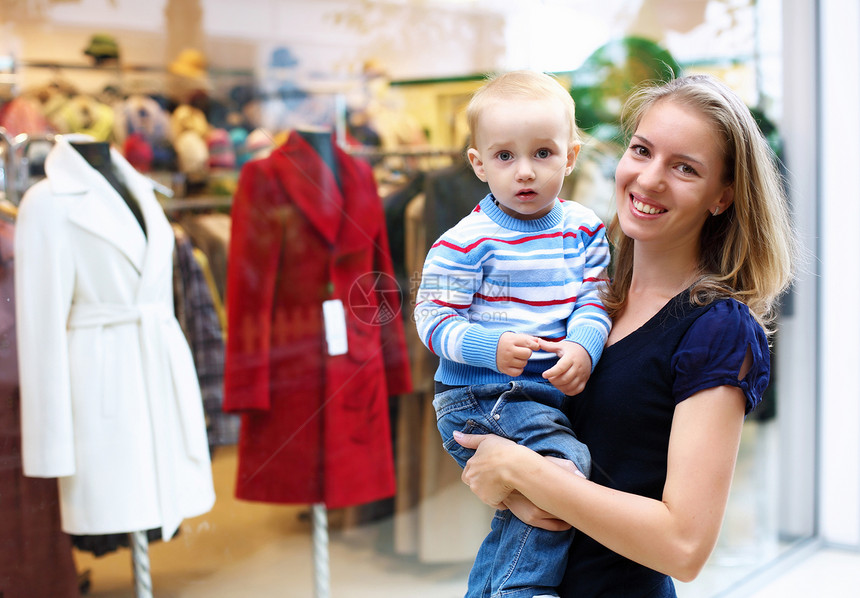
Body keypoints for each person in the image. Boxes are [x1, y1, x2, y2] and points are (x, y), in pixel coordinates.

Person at [454, 73, 797, 598]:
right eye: (642, 150)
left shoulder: (719, 330)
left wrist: (523, 471)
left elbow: (683, 547)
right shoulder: (585, 288)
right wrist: (505, 481)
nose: (650, 178)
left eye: (684, 167)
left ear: (722, 197)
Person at [414, 70, 612, 598]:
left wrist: (582, 346)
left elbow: (596, 298)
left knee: (537, 501)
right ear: (478, 163)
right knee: (565, 473)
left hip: (540, 398)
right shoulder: (466, 241)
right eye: (505, 156)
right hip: (479, 397)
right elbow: (431, 317)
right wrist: (490, 346)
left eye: (543, 153)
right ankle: (521, 591)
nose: (525, 172)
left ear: (570, 157)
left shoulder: (585, 228)